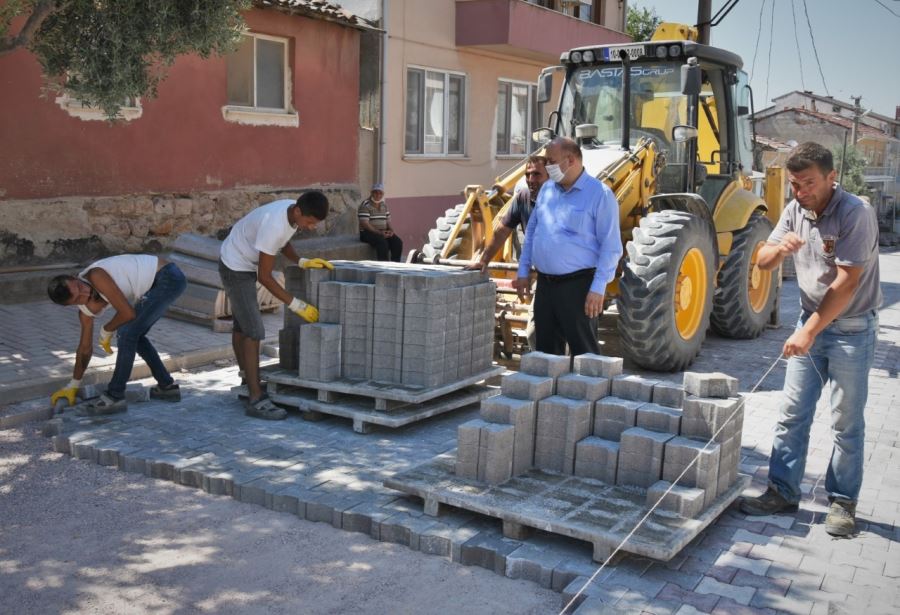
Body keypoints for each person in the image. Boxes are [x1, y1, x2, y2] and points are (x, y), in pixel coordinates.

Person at [739, 142, 881, 537]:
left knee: (846, 421)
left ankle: (842, 503)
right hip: (811, 324)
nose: (801, 192)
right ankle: (782, 491)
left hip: (851, 329)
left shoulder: (857, 213)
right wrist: (777, 248)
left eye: (809, 184)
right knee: (791, 414)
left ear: (832, 177)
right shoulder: (794, 210)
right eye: (795, 185)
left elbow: (846, 284)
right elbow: (763, 261)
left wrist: (808, 331)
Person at [219, 191, 333, 420]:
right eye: (310, 222)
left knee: (243, 327)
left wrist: (301, 261)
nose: (311, 228)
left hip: (243, 259)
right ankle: (256, 398)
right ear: (299, 212)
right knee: (254, 331)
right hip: (235, 265)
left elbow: (283, 242)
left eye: (315, 224)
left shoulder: (291, 212)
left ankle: (247, 378)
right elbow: (265, 276)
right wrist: (295, 304)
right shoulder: (274, 224)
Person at [513, 137, 622, 356]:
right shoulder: (547, 190)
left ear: (570, 160)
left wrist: (598, 287)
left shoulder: (599, 195)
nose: (546, 166)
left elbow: (611, 247)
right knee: (546, 353)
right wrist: (523, 270)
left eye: (550, 161)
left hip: (578, 287)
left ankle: (585, 391)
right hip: (545, 285)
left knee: (585, 356)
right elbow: (533, 231)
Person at [47, 254, 188, 414]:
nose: (85, 294)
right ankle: (167, 387)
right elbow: (85, 349)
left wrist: (106, 329)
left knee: (126, 333)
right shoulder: (85, 312)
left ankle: (115, 396)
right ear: (71, 305)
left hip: (167, 277)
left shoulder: (96, 275)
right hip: (157, 283)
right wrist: (73, 384)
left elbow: (128, 314)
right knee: (135, 334)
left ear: (75, 278)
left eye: (79, 287)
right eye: (78, 298)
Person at [467, 155, 549, 273]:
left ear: (550, 176)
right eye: (527, 174)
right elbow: (502, 232)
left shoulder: (563, 200)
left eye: (536, 174)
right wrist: (483, 261)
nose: (531, 180)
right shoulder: (523, 197)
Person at [358, 183, 403, 261]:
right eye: (376, 192)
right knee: (383, 243)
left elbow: (388, 221)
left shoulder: (383, 205)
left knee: (398, 242)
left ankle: (395, 265)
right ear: (371, 193)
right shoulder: (365, 205)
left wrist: (391, 231)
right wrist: (379, 232)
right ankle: (383, 267)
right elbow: (365, 224)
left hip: (382, 232)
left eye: (380, 193)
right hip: (367, 233)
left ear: (383, 194)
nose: (378, 195)